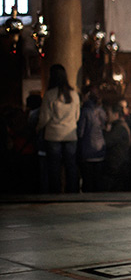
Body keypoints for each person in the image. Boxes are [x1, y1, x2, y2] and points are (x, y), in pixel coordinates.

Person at [37, 64, 81, 193]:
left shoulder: (50, 95)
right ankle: (72, 191)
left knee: (54, 166)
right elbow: (77, 116)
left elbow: (45, 117)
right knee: (71, 165)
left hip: (53, 134)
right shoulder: (74, 95)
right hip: (70, 134)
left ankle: (55, 192)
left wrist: (38, 128)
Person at [77, 87, 107, 192]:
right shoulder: (101, 111)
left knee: (88, 179)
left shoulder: (85, 111)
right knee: (97, 179)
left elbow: (81, 131)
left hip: (87, 148)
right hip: (100, 148)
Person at [103, 102, 131, 191]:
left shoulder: (119, 127)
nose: (106, 117)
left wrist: (105, 131)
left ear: (116, 115)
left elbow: (107, 141)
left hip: (117, 164)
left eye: (108, 114)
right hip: (118, 163)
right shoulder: (119, 126)